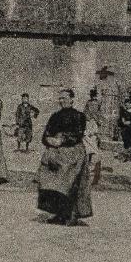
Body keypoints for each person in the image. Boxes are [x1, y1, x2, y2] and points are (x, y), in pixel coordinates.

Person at [35, 88, 95, 226]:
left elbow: (78, 134)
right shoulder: (55, 116)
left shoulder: (79, 116)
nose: (62, 101)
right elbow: (46, 133)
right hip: (56, 152)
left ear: (72, 99)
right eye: (60, 98)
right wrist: (48, 140)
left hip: (73, 152)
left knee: (70, 183)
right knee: (50, 182)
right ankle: (59, 213)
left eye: (65, 98)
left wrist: (62, 140)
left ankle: (72, 214)